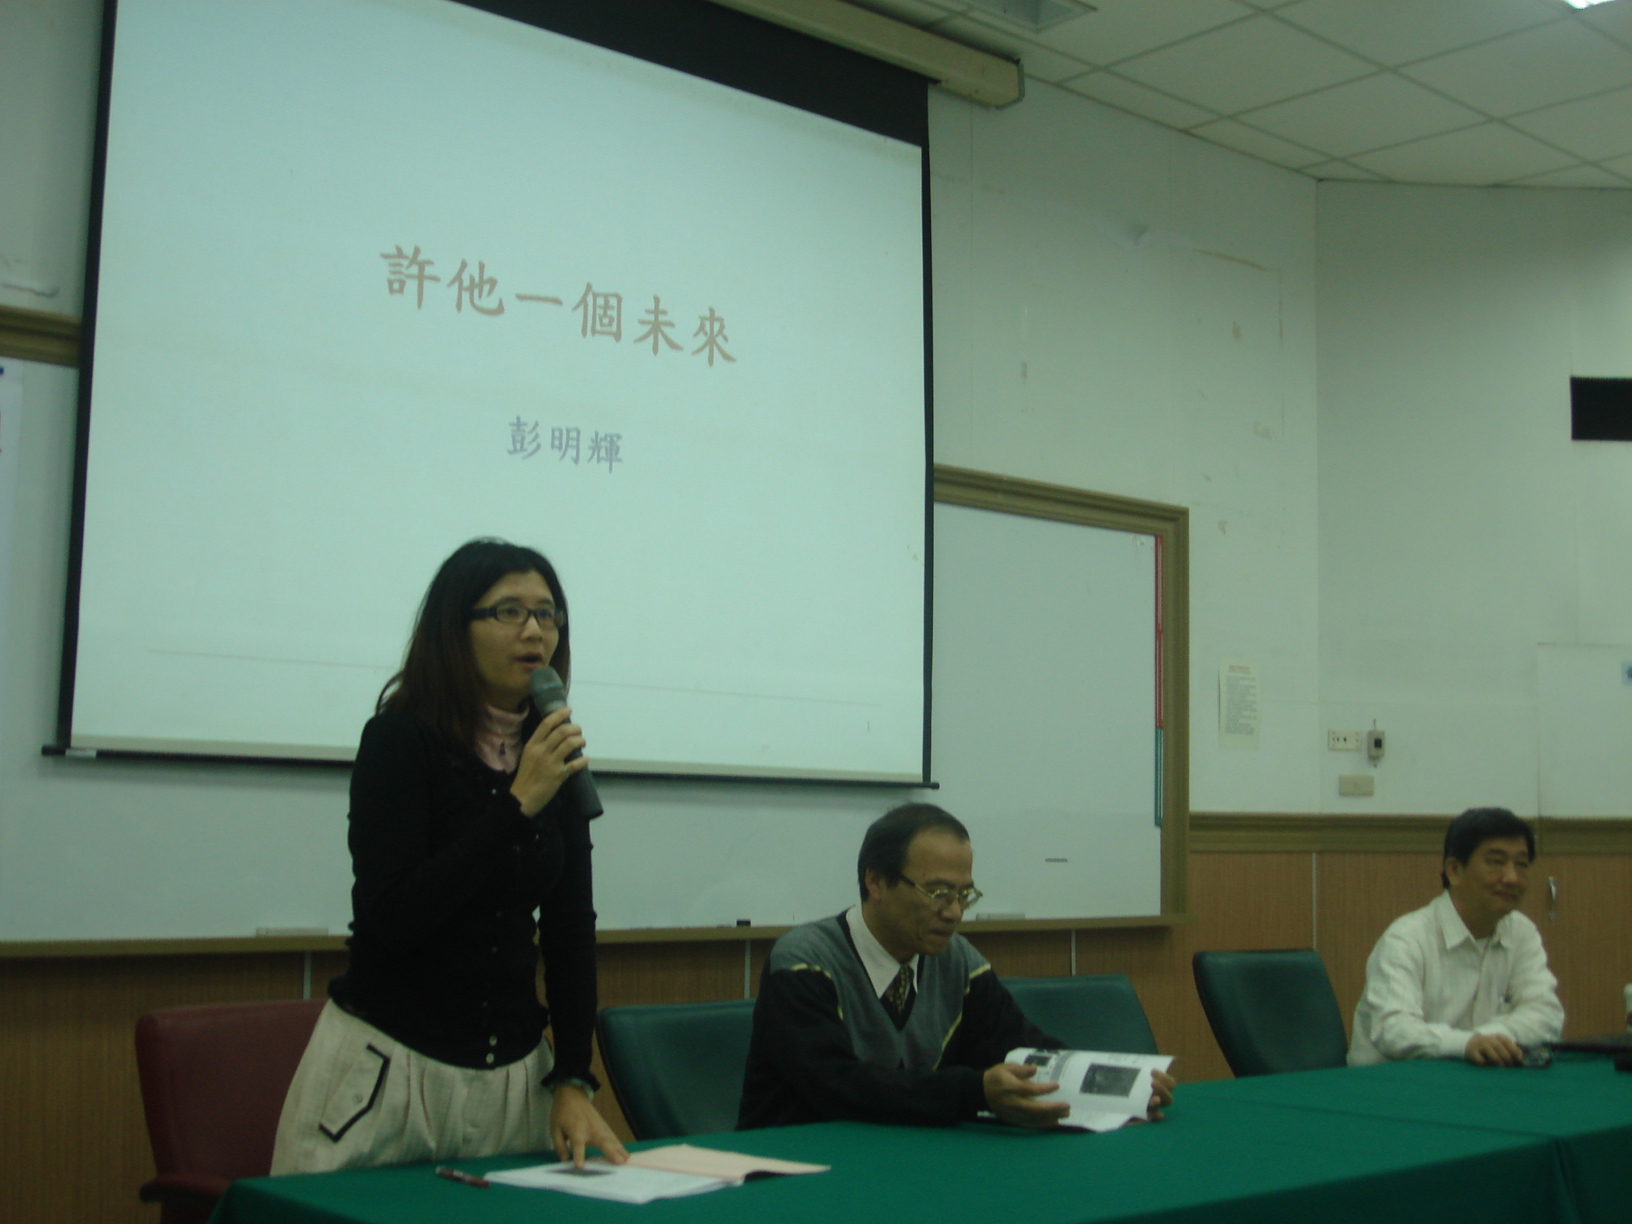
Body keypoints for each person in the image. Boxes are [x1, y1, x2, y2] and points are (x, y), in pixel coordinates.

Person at [272, 539, 627, 1173]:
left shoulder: (552, 752)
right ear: (454, 628)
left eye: (548, 614)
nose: (535, 631)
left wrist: (574, 1076)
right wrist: (516, 806)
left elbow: (570, 931)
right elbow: (394, 915)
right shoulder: (399, 741)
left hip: (515, 1079)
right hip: (390, 1071)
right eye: (509, 612)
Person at [738, 802, 1174, 1129]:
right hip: (795, 1167)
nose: (954, 912)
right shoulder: (805, 962)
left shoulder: (957, 961)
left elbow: (1022, 1048)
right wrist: (974, 1092)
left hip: (908, 1163)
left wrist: (1120, 1085)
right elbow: (837, 1087)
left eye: (964, 894)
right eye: (938, 893)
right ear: (876, 882)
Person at [1349, 807, 1564, 1066]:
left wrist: (1491, 1039)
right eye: (1496, 862)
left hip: (1479, 1077)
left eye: (1521, 864)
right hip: (1390, 1082)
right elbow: (1393, 1028)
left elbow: (1546, 1014)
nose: (1512, 878)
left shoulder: (1521, 932)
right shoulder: (1406, 938)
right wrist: (1466, 1044)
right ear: (1454, 870)